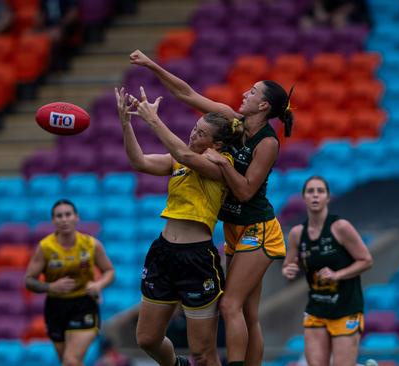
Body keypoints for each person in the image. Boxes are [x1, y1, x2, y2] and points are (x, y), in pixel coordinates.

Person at [129, 49, 292, 366]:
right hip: (233, 228)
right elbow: (186, 92)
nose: (245, 93)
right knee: (247, 311)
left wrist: (223, 165)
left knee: (231, 305)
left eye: (253, 91)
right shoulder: (232, 121)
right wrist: (152, 65)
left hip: (258, 228)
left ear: (264, 105)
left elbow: (245, 192)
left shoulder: (268, 143)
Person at [115, 86, 243, 366]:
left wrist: (152, 120)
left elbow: (186, 156)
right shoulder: (178, 160)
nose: (193, 134)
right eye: (194, 128)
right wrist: (127, 125)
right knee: (147, 339)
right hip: (163, 253)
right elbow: (139, 161)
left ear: (217, 144)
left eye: (201, 133)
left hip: (196, 258)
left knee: (202, 352)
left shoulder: (221, 164)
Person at [281, 176, 373, 366]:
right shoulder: (297, 234)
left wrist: (337, 275)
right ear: (304, 197)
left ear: (328, 198)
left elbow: (366, 260)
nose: (315, 195)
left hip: (346, 308)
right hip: (317, 310)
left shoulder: (340, 227)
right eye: (310, 191)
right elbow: (289, 268)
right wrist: (289, 271)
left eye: (320, 191)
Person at [25, 199, 115, 366]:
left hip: (84, 304)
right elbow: (29, 280)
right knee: (68, 361)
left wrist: (98, 285)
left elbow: (109, 271)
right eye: (59, 216)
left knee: (70, 361)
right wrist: (51, 286)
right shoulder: (45, 248)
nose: (64, 219)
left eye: (68, 214)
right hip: (55, 307)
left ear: (76, 217)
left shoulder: (91, 244)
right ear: (53, 220)